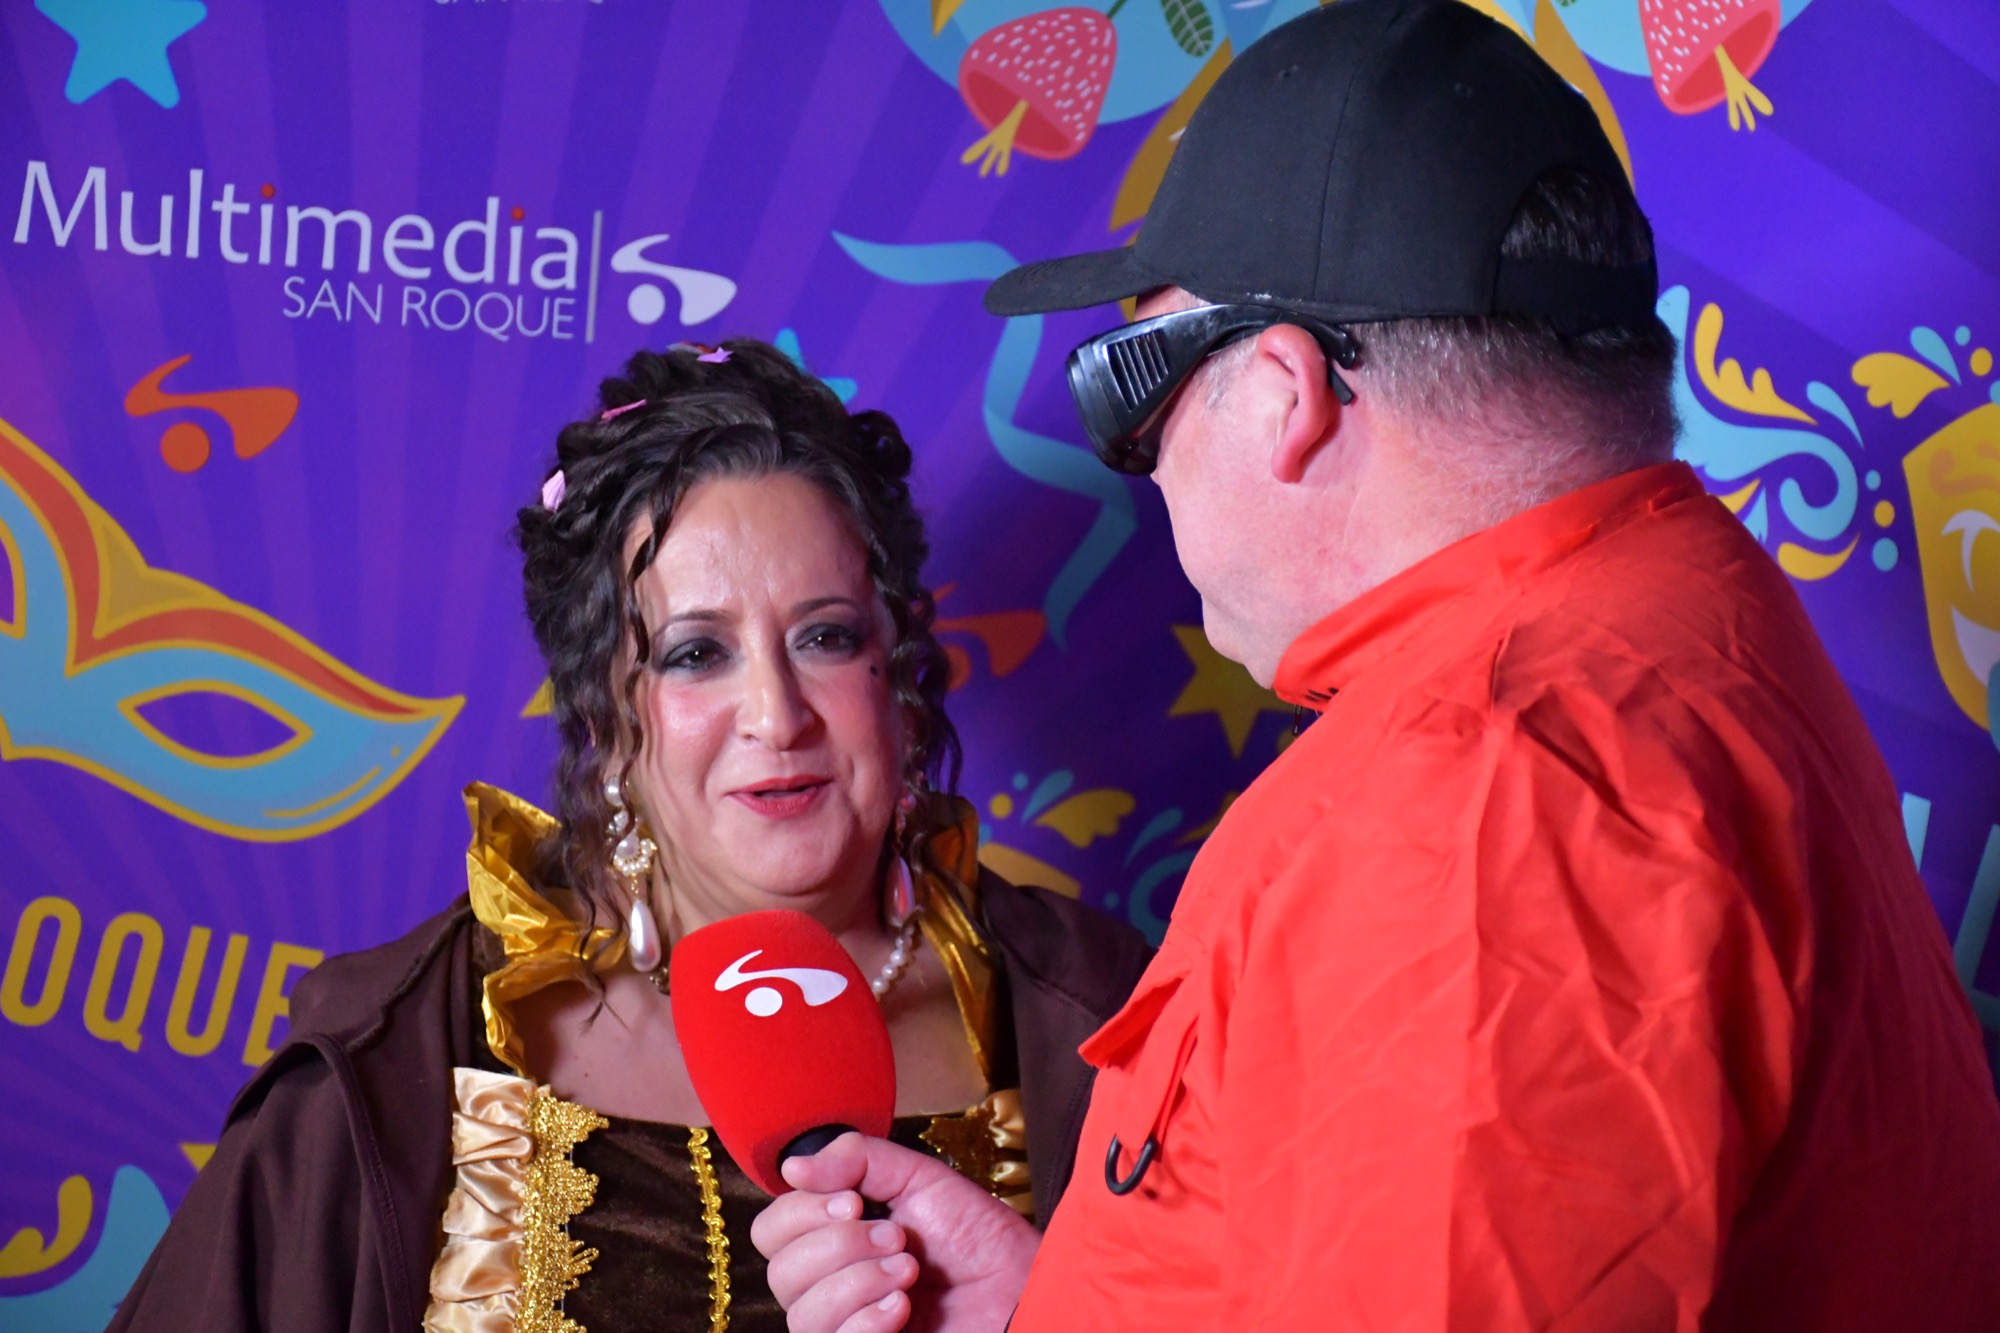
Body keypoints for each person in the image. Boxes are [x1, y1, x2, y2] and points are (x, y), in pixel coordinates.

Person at [750, 1, 2000, 1330]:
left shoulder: (1479, 806)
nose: (1146, 463)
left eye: (1135, 386)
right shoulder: (1688, 616)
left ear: (1283, 395)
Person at [105, 339, 1152, 1333]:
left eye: (824, 637)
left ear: (899, 674)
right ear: (603, 714)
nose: (776, 714)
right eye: (696, 654)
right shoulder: (399, 1050)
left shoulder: (1109, 1021)